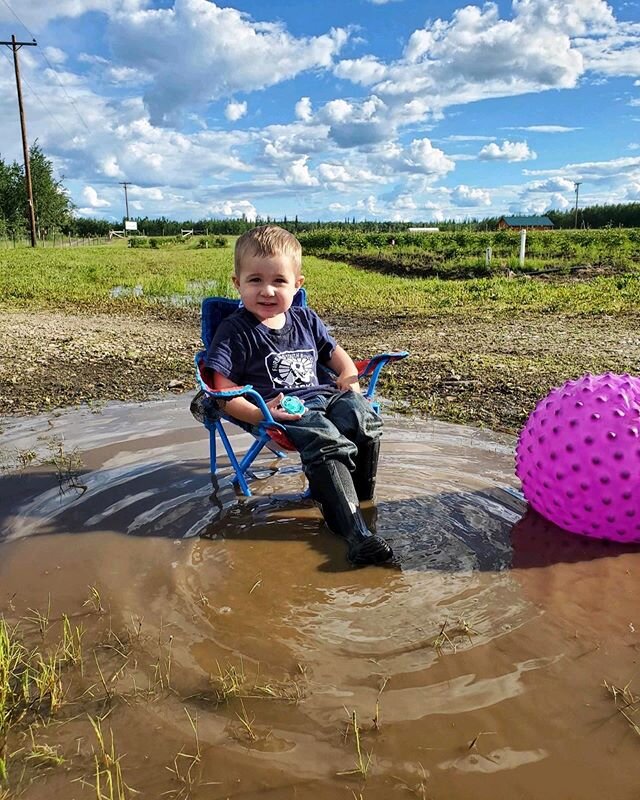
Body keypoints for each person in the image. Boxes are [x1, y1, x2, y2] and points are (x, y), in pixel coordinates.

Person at [204, 225, 393, 566]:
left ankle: (362, 505)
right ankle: (356, 536)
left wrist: (350, 380)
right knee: (324, 439)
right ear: (237, 283)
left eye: (279, 281)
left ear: (297, 285)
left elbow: (337, 356)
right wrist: (263, 414)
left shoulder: (305, 318)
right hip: (281, 408)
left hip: (327, 395)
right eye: (255, 280)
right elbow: (222, 392)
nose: (267, 290)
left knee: (365, 420)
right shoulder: (234, 331)